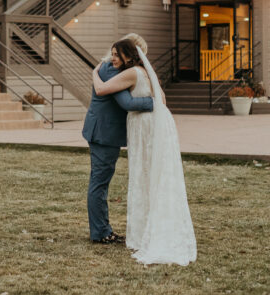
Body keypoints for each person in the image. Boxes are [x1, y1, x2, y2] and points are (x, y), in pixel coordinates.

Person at [92, 38, 196, 266]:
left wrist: (94, 72)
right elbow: (163, 99)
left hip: (146, 126)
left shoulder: (132, 73)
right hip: (159, 124)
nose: (113, 58)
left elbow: (102, 90)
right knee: (156, 174)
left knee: (144, 174)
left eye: (116, 54)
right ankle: (155, 224)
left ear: (128, 55)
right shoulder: (148, 72)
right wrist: (154, 104)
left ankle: (145, 231)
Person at [81, 40, 154, 244]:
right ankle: (101, 232)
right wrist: (154, 102)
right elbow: (127, 103)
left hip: (105, 131)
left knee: (101, 181)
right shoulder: (111, 70)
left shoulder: (111, 68)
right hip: (103, 133)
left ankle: (102, 229)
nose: (113, 58)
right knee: (100, 182)